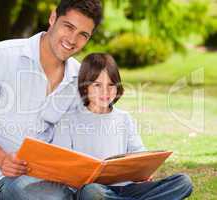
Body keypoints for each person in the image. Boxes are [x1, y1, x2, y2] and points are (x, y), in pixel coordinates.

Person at [0, 0, 102, 199]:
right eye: (68, 27)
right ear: (52, 18)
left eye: (83, 35)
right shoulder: (1, 56)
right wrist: (2, 159)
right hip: (10, 177)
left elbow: (81, 132)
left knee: (99, 191)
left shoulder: (79, 75)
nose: (72, 40)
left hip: (60, 174)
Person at [52, 53, 193, 200]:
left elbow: (139, 154)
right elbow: (60, 166)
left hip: (127, 188)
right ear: (85, 87)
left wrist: (145, 171)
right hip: (93, 191)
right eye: (97, 85)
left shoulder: (124, 118)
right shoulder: (68, 121)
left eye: (111, 85)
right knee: (92, 192)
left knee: (183, 182)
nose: (105, 92)